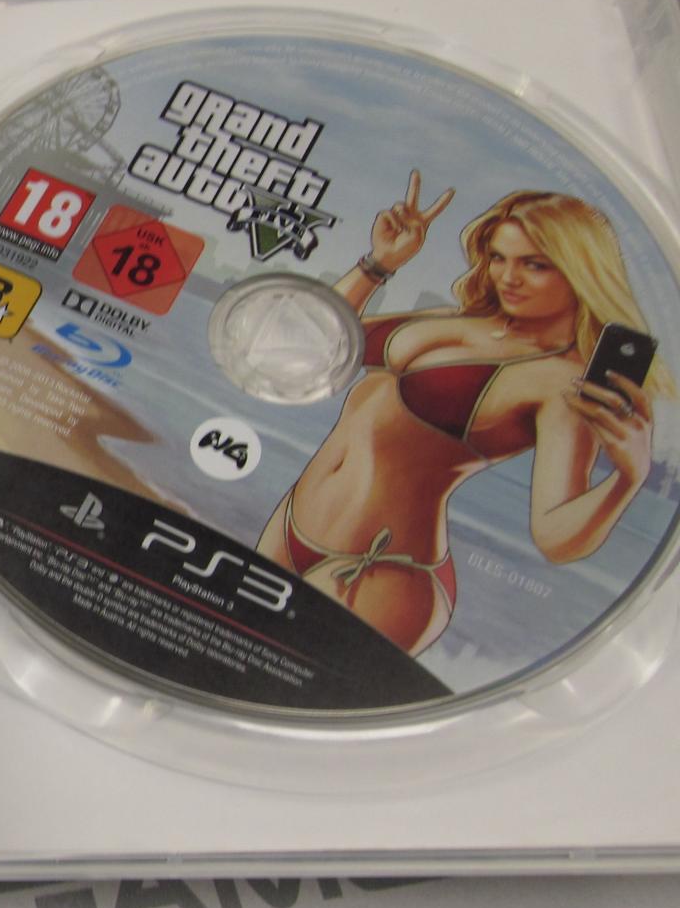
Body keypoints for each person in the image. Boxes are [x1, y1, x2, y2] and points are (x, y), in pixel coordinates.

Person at [255, 174, 666, 655]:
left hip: (385, 569)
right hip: (292, 526)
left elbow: (555, 536)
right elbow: (314, 342)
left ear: (581, 270)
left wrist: (628, 478)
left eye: (534, 265)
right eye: (498, 257)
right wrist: (379, 264)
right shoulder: (464, 318)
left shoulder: (564, 385)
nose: (508, 277)